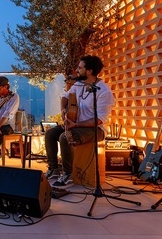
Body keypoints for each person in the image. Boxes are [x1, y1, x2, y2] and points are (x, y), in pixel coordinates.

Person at [44, 55, 115, 188]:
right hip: (75, 124)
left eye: (80, 68)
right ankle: (53, 169)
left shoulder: (103, 92)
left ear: (89, 71)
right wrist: (63, 111)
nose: (77, 70)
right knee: (50, 134)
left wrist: (75, 125)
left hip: (95, 130)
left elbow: (99, 120)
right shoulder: (79, 84)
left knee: (65, 137)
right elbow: (65, 97)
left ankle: (68, 174)